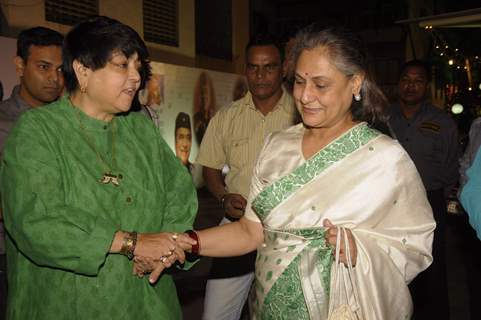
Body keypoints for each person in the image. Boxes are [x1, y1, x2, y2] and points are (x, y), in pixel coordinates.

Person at [136, 26, 435, 319]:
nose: (305, 96)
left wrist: (362, 251)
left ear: (355, 83)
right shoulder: (278, 146)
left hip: (336, 307)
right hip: (269, 303)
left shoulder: (383, 158)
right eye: (299, 81)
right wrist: (186, 242)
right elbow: (250, 231)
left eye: (320, 84)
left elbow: (415, 243)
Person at [0, 16, 197, 320]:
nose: (136, 78)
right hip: (69, 302)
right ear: (83, 71)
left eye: (138, 66)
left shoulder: (140, 130)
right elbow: (35, 220)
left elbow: (179, 194)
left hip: (146, 301)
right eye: (122, 65)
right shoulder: (38, 130)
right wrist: (132, 243)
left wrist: (167, 248)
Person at [196, 34, 297, 320]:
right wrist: (224, 196)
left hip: (287, 234)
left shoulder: (302, 116)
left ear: (284, 68)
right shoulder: (226, 117)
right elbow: (211, 169)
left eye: (269, 67)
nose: (261, 75)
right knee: (216, 314)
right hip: (236, 228)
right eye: (254, 67)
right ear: (245, 70)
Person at [0, 26, 64, 319]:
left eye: (61, 69)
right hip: (9, 254)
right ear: (20, 65)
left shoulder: (70, 124)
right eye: (43, 67)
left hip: (65, 255)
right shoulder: (3, 123)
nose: (54, 78)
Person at [388, 60, 459, 319]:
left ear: (426, 86)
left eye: (418, 81)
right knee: (392, 265)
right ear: (398, 84)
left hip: (430, 203)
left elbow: (453, 164)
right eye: (406, 79)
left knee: (432, 265)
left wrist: (448, 204)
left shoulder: (442, 122)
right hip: (390, 204)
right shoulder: (382, 118)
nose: (411, 86)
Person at [193, 71, 217, 144]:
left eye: (206, 92)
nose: (204, 96)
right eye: (201, 93)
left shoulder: (216, 119)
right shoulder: (195, 119)